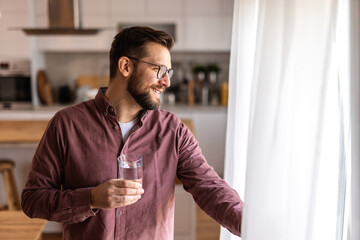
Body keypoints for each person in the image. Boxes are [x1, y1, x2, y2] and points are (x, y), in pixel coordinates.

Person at [21, 26, 243, 240]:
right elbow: (32, 200)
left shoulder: (173, 131)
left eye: (169, 72)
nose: (167, 82)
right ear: (126, 66)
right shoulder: (66, 125)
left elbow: (210, 188)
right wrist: (90, 199)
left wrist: (253, 225)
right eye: (159, 70)